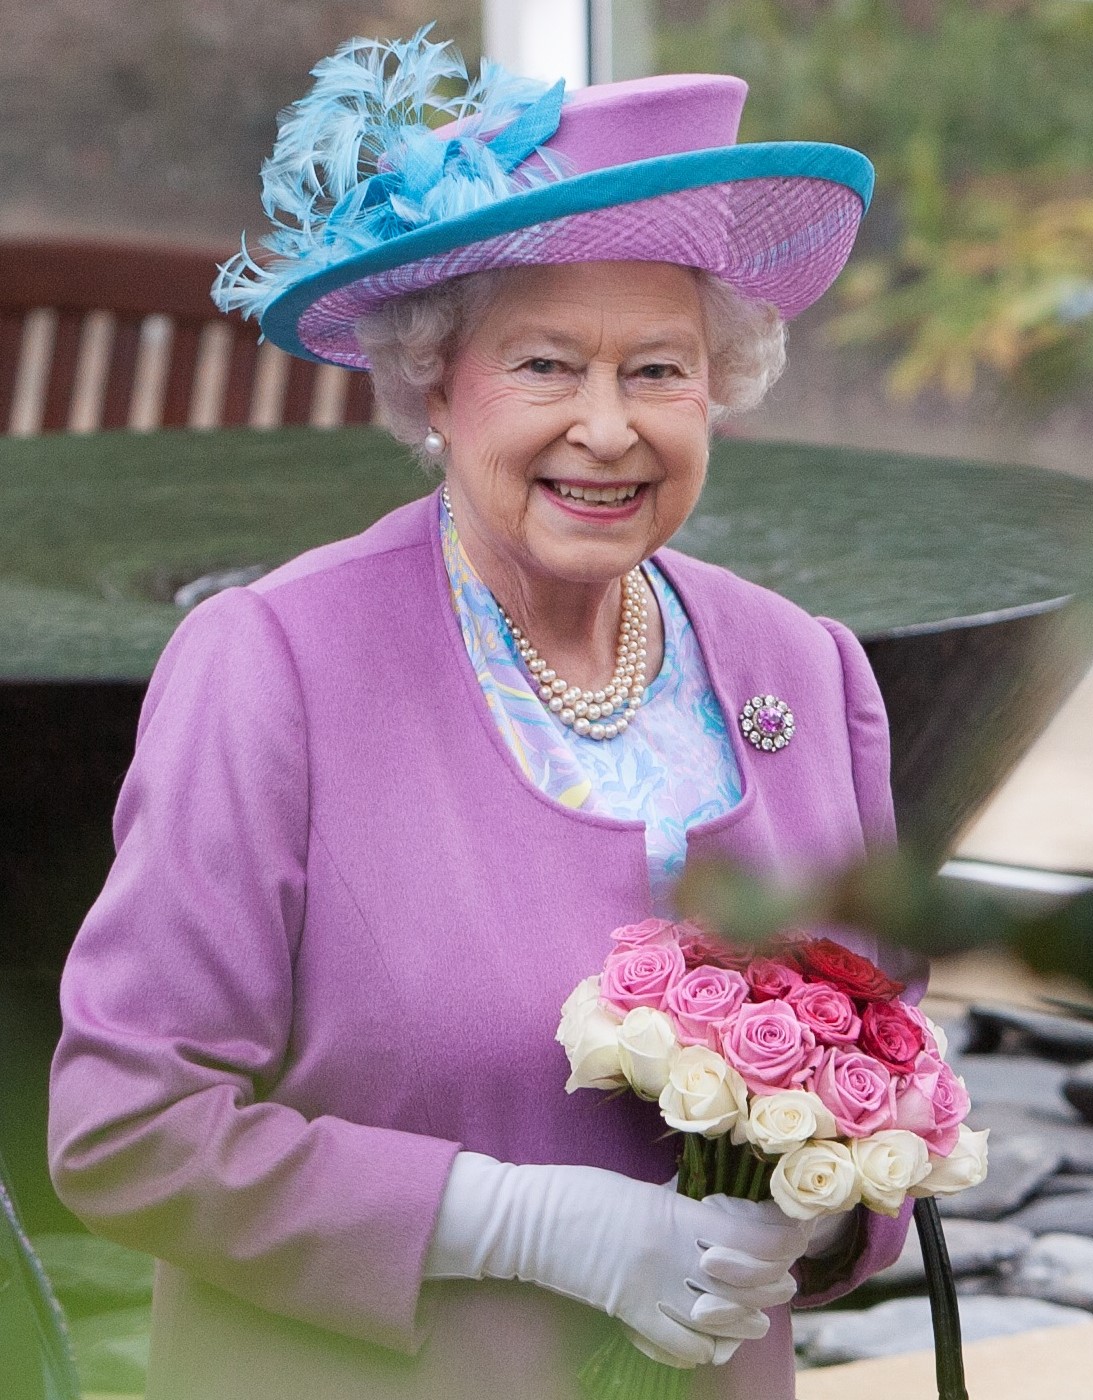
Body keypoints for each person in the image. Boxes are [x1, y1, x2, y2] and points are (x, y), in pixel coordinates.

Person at [49, 31, 918, 1400]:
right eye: (544, 366)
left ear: (720, 387)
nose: (609, 427)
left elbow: (889, 1062)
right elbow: (125, 1128)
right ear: (435, 386)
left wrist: (819, 1213)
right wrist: (517, 1224)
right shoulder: (273, 664)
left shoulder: (801, 671)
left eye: (658, 370)